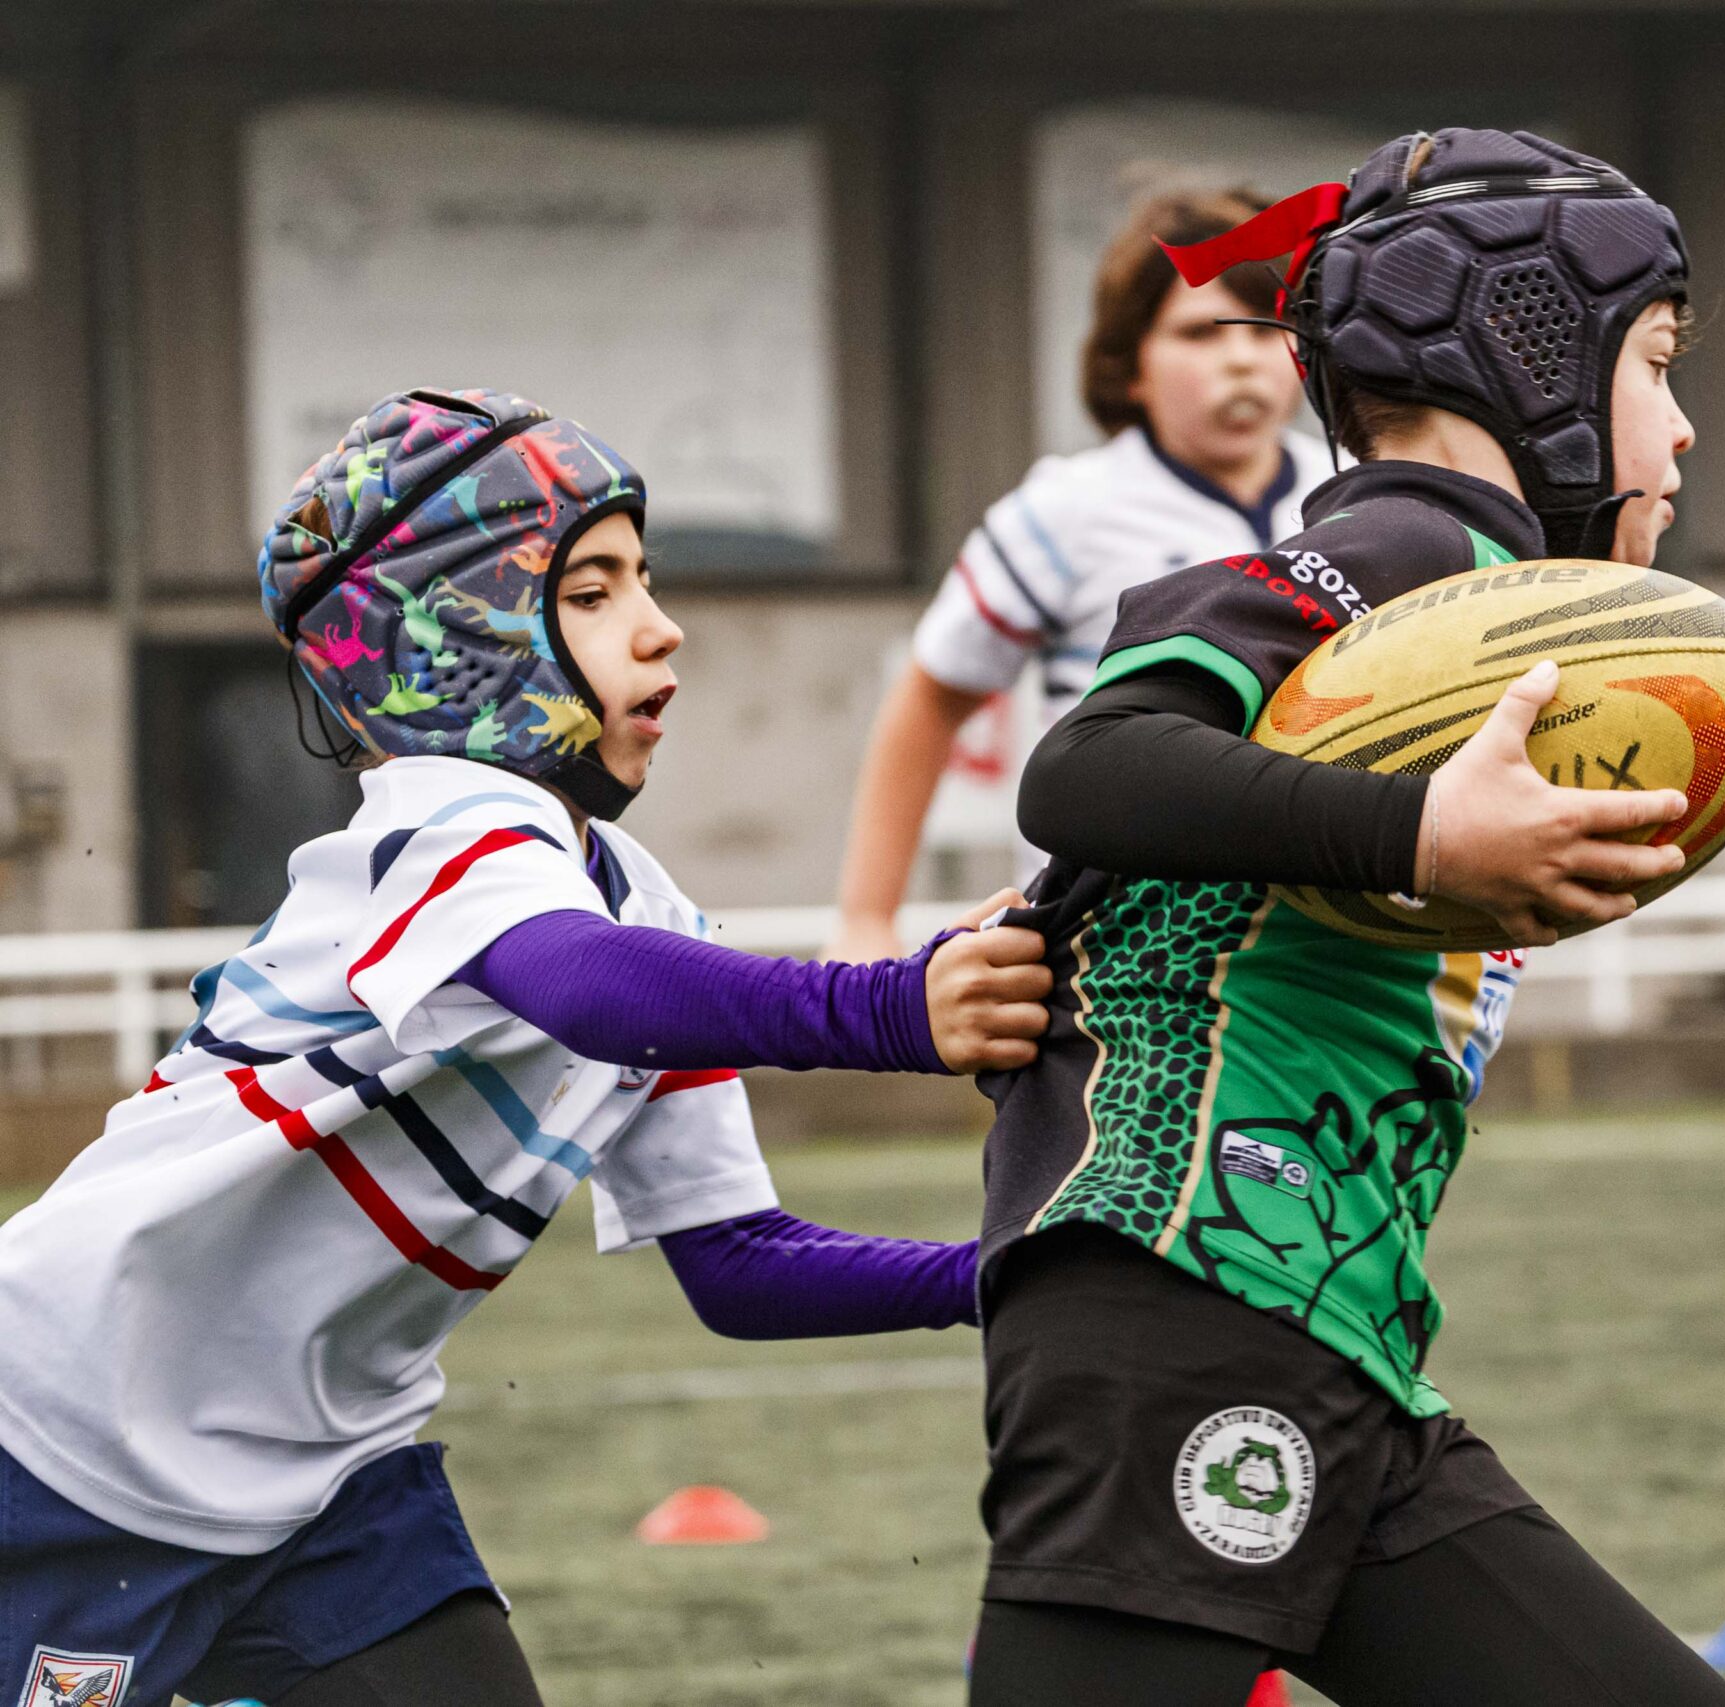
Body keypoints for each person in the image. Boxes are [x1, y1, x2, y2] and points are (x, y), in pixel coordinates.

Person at [0, 390, 1048, 1707]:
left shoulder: (641, 903)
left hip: (325, 1485)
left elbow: (740, 1264)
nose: (663, 626)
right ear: (461, 635)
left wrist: (1017, 1271)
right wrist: (894, 1006)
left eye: (645, 580)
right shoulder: (442, 825)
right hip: (56, 1445)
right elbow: (579, 983)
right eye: (597, 589)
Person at [962, 130, 1725, 1706]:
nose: (1683, 427)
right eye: (1657, 362)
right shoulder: (1415, 552)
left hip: (1327, 1333)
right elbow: (1090, 760)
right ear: (1533, 348)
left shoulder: (1500, 597)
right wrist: (1424, 830)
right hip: (1189, 1296)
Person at [829, 187, 1328, 961]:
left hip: (1315, 945)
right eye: (1200, 332)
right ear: (1128, 367)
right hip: (1113, 953)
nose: (1240, 356)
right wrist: (865, 918)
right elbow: (933, 692)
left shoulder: (1357, 493)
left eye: (1264, 328)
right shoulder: (1064, 511)